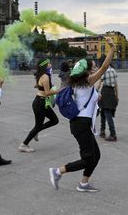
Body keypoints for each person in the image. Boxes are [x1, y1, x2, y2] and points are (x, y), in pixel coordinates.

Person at [48, 37, 115, 192]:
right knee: (88, 159)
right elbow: (105, 66)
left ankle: (83, 183)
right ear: (88, 70)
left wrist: (97, 95)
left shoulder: (79, 83)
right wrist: (112, 48)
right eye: (93, 66)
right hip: (81, 124)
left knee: (95, 156)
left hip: (81, 124)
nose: (95, 67)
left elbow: (90, 96)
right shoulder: (87, 81)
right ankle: (58, 171)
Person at [18, 59, 60, 152]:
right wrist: (59, 90)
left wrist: (41, 85)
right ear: (45, 65)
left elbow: (36, 85)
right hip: (40, 103)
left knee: (54, 120)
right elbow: (48, 92)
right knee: (38, 125)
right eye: (49, 63)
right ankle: (24, 144)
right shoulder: (45, 76)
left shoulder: (42, 75)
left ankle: (37, 131)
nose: (50, 64)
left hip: (42, 102)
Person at [97, 61, 118, 141]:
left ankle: (113, 134)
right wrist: (117, 96)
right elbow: (116, 85)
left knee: (107, 113)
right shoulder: (113, 70)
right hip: (112, 92)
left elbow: (99, 83)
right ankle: (102, 131)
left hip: (105, 92)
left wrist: (95, 90)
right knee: (103, 112)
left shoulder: (104, 70)